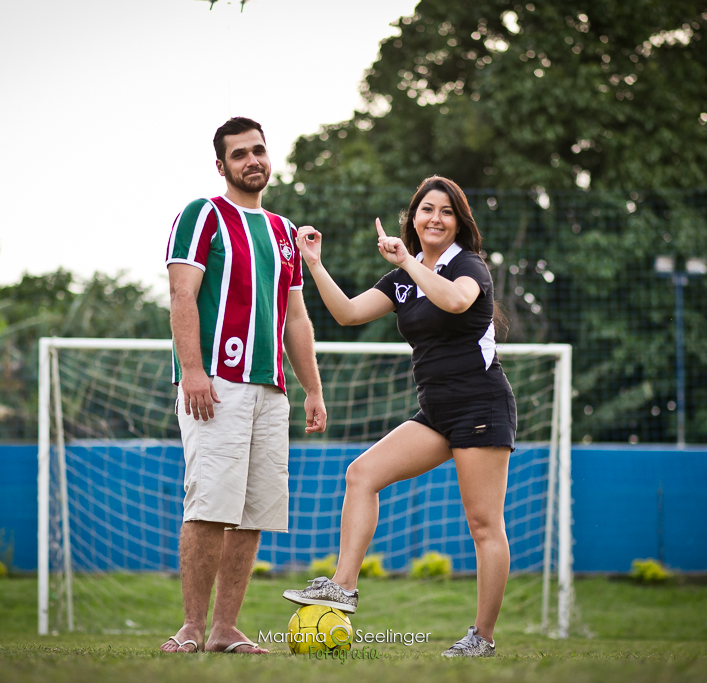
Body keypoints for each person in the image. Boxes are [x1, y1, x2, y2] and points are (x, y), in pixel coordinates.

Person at [282, 176, 516, 658]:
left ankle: (482, 639)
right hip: (436, 412)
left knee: (483, 525)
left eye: (446, 212)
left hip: (480, 405)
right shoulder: (403, 278)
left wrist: (408, 261)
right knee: (362, 474)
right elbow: (347, 313)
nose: (435, 218)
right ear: (412, 218)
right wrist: (314, 264)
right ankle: (343, 586)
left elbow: (455, 300)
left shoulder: (467, 265)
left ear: (458, 222)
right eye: (426, 209)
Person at [161, 117, 326, 655]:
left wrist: (313, 390)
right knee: (209, 506)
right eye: (239, 154)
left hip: (271, 390)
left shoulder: (283, 231)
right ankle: (189, 628)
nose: (252, 160)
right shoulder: (201, 215)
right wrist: (192, 371)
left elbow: (297, 318)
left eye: (258, 150)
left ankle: (225, 630)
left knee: (252, 513)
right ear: (221, 165)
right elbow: (182, 296)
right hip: (216, 384)